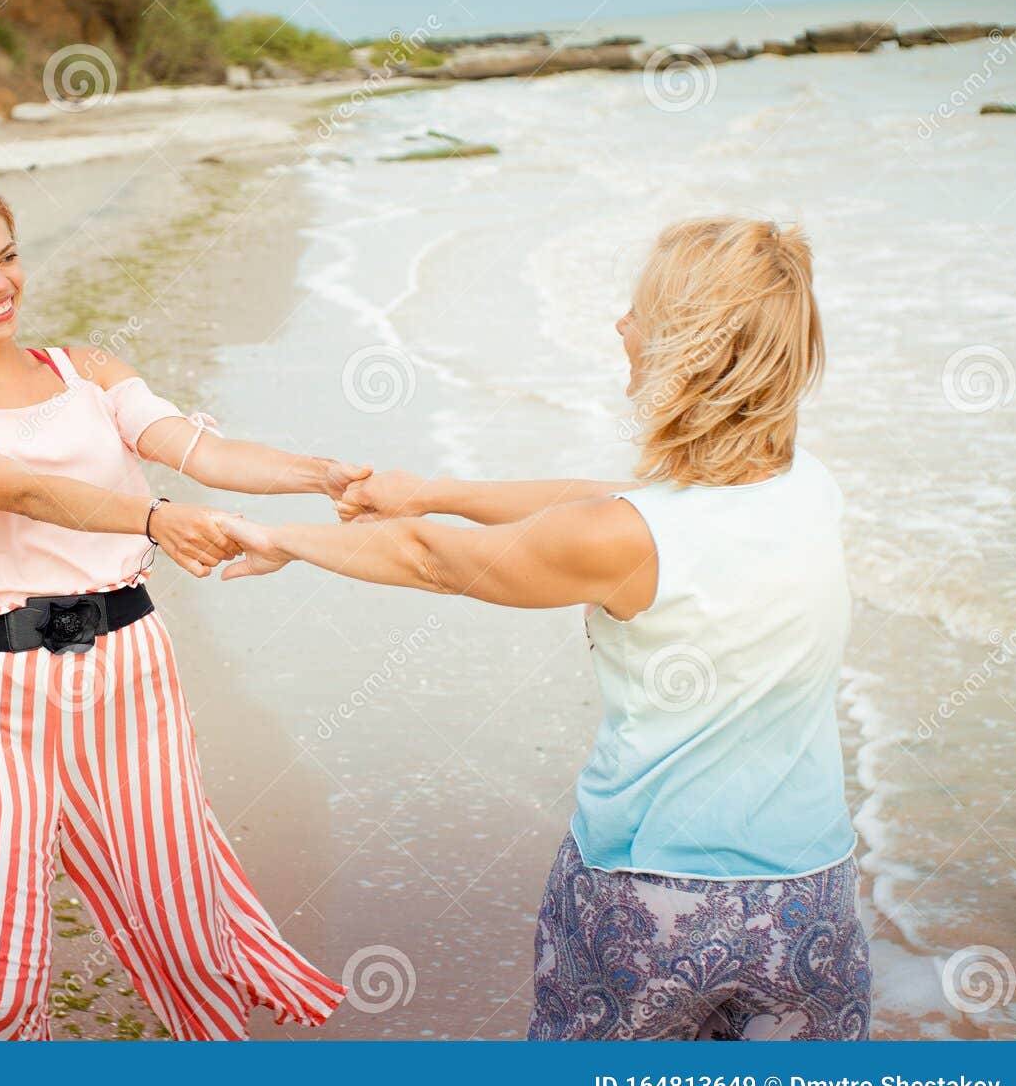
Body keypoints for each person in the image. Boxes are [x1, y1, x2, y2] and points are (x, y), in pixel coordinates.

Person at [218, 216, 873, 1041]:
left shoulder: (625, 537)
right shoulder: (807, 487)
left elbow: (433, 562)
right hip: (808, 892)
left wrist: (283, 539)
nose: (620, 325)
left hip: (651, 895)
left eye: (639, 312)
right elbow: (590, 500)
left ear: (685, 350)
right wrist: (432, 491)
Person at [0, 172, 361, 1040]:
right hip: (0, 697)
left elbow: (197, 451)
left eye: (8, 256)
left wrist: (322, 475)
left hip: (131, 677)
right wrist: (153, 516)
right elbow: (23, 488)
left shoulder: (89, 372)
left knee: (183, 928)